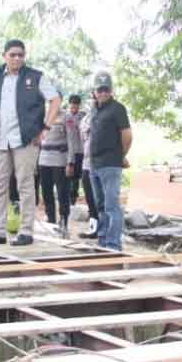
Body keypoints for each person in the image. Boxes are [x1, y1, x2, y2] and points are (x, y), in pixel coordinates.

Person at [0, 39, 60, 247]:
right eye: (12, 54)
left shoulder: (35, 77)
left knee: (25, 185)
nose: (16, 58)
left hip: (25, 139)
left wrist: (46, 128)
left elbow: (55, 100)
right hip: (0, 140)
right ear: (4, 55)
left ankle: (25, 231)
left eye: (20, 55)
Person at [88, 72, 130, 251]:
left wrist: (121, 155)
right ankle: (103, 240)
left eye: (106, 90)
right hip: (95, 164)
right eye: (100, 90)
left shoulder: (117, 108)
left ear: (111, 91)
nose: (103, 93)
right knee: (100, 205)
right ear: (94, 92)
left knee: (112, 205)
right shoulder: (95, 109)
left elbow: (127, 135)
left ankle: (113, 244)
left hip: (111, 164)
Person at [37, 93, 74, 237]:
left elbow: (72, 141)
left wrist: (70, 162)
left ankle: (63, 222)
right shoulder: (43, 116)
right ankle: (51, 221)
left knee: (62, 193)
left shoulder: (67, 117)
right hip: (44, 160)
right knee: (46, 192)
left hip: (60, 160)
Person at [77, 91, 100, 239]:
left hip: (100, 162)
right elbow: (82, 135)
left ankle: (102, 228)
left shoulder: (103, 115)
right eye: (92, 98)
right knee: (89, 196)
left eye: (94, 98)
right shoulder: (87, 117)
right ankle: (93, 227)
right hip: (86, 161)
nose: (92, 101)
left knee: (99, 197)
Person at [65, 94, 85, 205]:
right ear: (69, 104)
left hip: (80, 151)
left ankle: (73, 199)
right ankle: (66, 199)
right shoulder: (65, 116)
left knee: (76, 177)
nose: (74, 109)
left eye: (76, 106)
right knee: (67, 176)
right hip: (67, 151)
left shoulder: (83, 116)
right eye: (72, 106)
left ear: (79, 106)